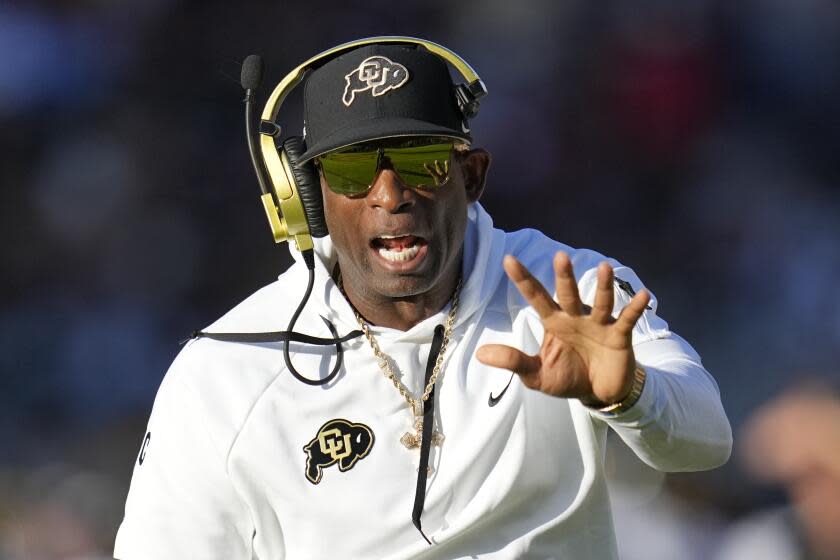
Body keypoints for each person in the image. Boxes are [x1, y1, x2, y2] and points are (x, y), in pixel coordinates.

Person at [114, 39, 732, 559]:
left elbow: (707, 440)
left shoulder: (566, 291)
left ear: (472, 177)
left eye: (421, 162)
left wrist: (627, 396)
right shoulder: (225, 369)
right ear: (309, 197)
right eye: (354, 173)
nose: (390, 196)